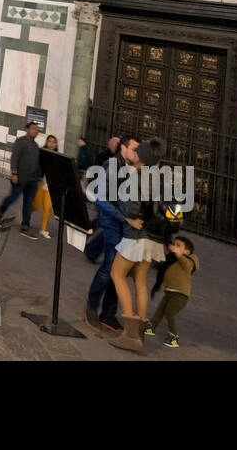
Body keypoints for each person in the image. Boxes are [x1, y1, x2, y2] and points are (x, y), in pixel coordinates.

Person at [108, 138, 166, 353]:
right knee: (141, 280)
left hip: (137, 234)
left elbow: (132, 209)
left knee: (117, 274)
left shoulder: (138, 176)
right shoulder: (158, 176)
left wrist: (127, 215)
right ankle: (139, 332)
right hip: (153, 237)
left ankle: (130, 332)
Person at [85, 134, 141, 335]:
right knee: (109, 267)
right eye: (134, 148)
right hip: (111, 223)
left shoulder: (131, 170)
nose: (137, 153)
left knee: (119, 272)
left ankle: (108, 314)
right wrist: (125, 219)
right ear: (123, 149)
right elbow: (101, 199)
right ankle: (91, 306)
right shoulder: (112, 167)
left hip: (124, 227)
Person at [146, 236, 200, 348]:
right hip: (169, 291)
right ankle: (151, 327)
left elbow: (187, 266)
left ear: (186, 252)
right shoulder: (172, 259)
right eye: (174, 244)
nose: (174, 247)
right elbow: (162, 266)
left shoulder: (189, 261)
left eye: (178, 245)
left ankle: (174, 336)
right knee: (160, 310)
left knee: (169, 312)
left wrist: (179, 254)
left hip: (181, 294)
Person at [0, 120, 41, 240]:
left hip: (32, 180)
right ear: (27, 129)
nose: (35, 131)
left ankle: (25, 226)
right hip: (20, 178)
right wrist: (14, 173)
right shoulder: (21, 141)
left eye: (37, 130)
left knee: (28, 203)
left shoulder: (36, 146)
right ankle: (1, 211)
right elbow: (14, 157)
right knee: (13, 197)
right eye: (33, 129)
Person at [33, 134, 60, 237]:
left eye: (54, 142)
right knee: (35, 206)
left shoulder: (58, 156)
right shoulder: (41, 152)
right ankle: (25, 216)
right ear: (46, 142)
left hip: (50, 186)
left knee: (47, 208)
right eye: (50, 141)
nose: (52, 144)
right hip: (40, 183)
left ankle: (43, 229)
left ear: (56, 144)